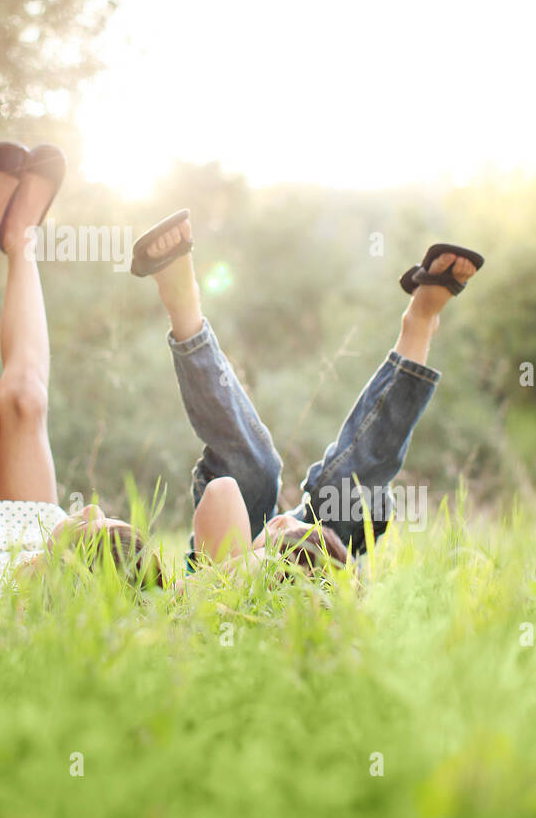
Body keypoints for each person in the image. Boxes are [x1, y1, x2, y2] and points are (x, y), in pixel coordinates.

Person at [130, 210, 484, 576]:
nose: (286, 520)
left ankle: (184, 309)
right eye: (295, 528)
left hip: (236, 550)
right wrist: (294, 545)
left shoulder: (214, 590)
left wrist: (257, 557)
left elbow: (221, 495)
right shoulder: (313, 570)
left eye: (285, 531)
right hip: (315, 566)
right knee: (346, 489)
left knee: (254, 468)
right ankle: (421, 322)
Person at [0, 142, 162, 590]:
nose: (90, 510)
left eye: (92, 526)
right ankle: (22, 239)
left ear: (71, 560)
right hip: (32, 541)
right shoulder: (52, 568)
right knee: (26, 399)